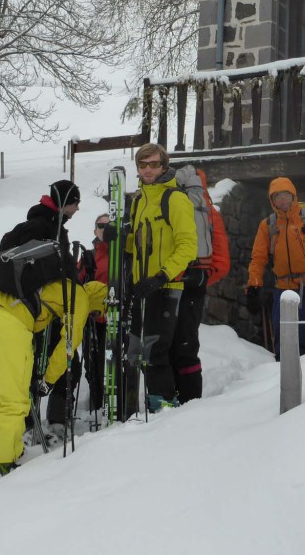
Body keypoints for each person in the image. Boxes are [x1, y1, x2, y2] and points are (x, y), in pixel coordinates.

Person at [0, 275, 89, 477]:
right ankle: (2, 463)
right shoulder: (80, 296)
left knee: (2, 388)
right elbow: (68, 346)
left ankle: (4, 447)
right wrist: (49, 381)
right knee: (15, 399)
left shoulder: (53, 280)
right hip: (10, 324)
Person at [0, 179, 82, 445]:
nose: (77, 208)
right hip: (43, 307)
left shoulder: (48, 223)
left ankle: (46, 421)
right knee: (50, 365)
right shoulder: (42, 225)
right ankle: (36, 424)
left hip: (47, 305)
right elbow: (35, 267)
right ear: (65, 202)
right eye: (75, 203)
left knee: (49, 365)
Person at [124, 143, 198, 413]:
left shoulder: (175, 199)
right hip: (142, 287)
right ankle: (155, 403)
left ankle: (163, 406)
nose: (148, 170)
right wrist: (119, 239)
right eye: (142, 165)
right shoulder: (139, 200)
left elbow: (188, 246)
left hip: (165, 286)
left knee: (155, 350)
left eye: (153, 164)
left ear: (164, 166)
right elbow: (138, 244)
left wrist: (161, 276)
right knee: (140, 350)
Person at [245, 177, 305, 359]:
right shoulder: (268, 225)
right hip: (282, 287)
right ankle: (280, 368)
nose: (282, 200)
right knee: (282, 330)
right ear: (272, 201)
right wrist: (254, 284)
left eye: (286, 195)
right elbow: (258, 257)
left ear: (294, 196)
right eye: (277, 197)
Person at [173, 169, 231, 404]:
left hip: (169, 281)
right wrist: (205, 276)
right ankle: (190, 400)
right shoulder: (207, 209)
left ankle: (169, 397)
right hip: (194, 280)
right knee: (186, 342)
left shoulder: (170, 201)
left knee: (166, 341)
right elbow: (221, 257)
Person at [78, 214, 110, 412]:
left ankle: (113, 403)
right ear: (95, 230)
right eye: (100, 225)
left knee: (111, 365)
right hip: (92, 319)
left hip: (114, 318)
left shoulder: (121, 253)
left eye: (108, 225)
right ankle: (96, 403)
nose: (104, 229)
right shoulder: (88, 255)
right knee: (93, 365)